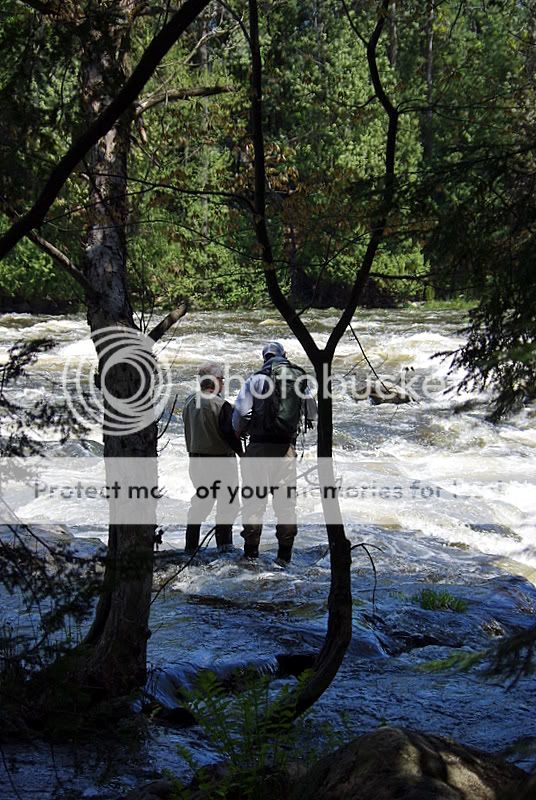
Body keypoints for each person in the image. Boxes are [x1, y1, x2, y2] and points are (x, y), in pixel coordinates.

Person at [232, 341, 316, 565]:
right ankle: (284, 558)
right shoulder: (298, 379)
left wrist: (239, 435)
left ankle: (251, 555)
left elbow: (239, 414)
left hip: (258, 448)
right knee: (286, 505)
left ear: (264, 358)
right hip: (286, 449)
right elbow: (312, 413)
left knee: (253, 503)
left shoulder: (255, 379)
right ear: (284, 356)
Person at [182, 361, 241, 555]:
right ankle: (224, 547)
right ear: (214, 381)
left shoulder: (189, 402)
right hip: (221, 463)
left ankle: (190, 547)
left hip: (196, 462)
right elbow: (229, 434)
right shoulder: (221, 405)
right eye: (222, 379)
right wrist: (243, 454)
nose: (223, 383)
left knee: (201, 503)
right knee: (228, 504)